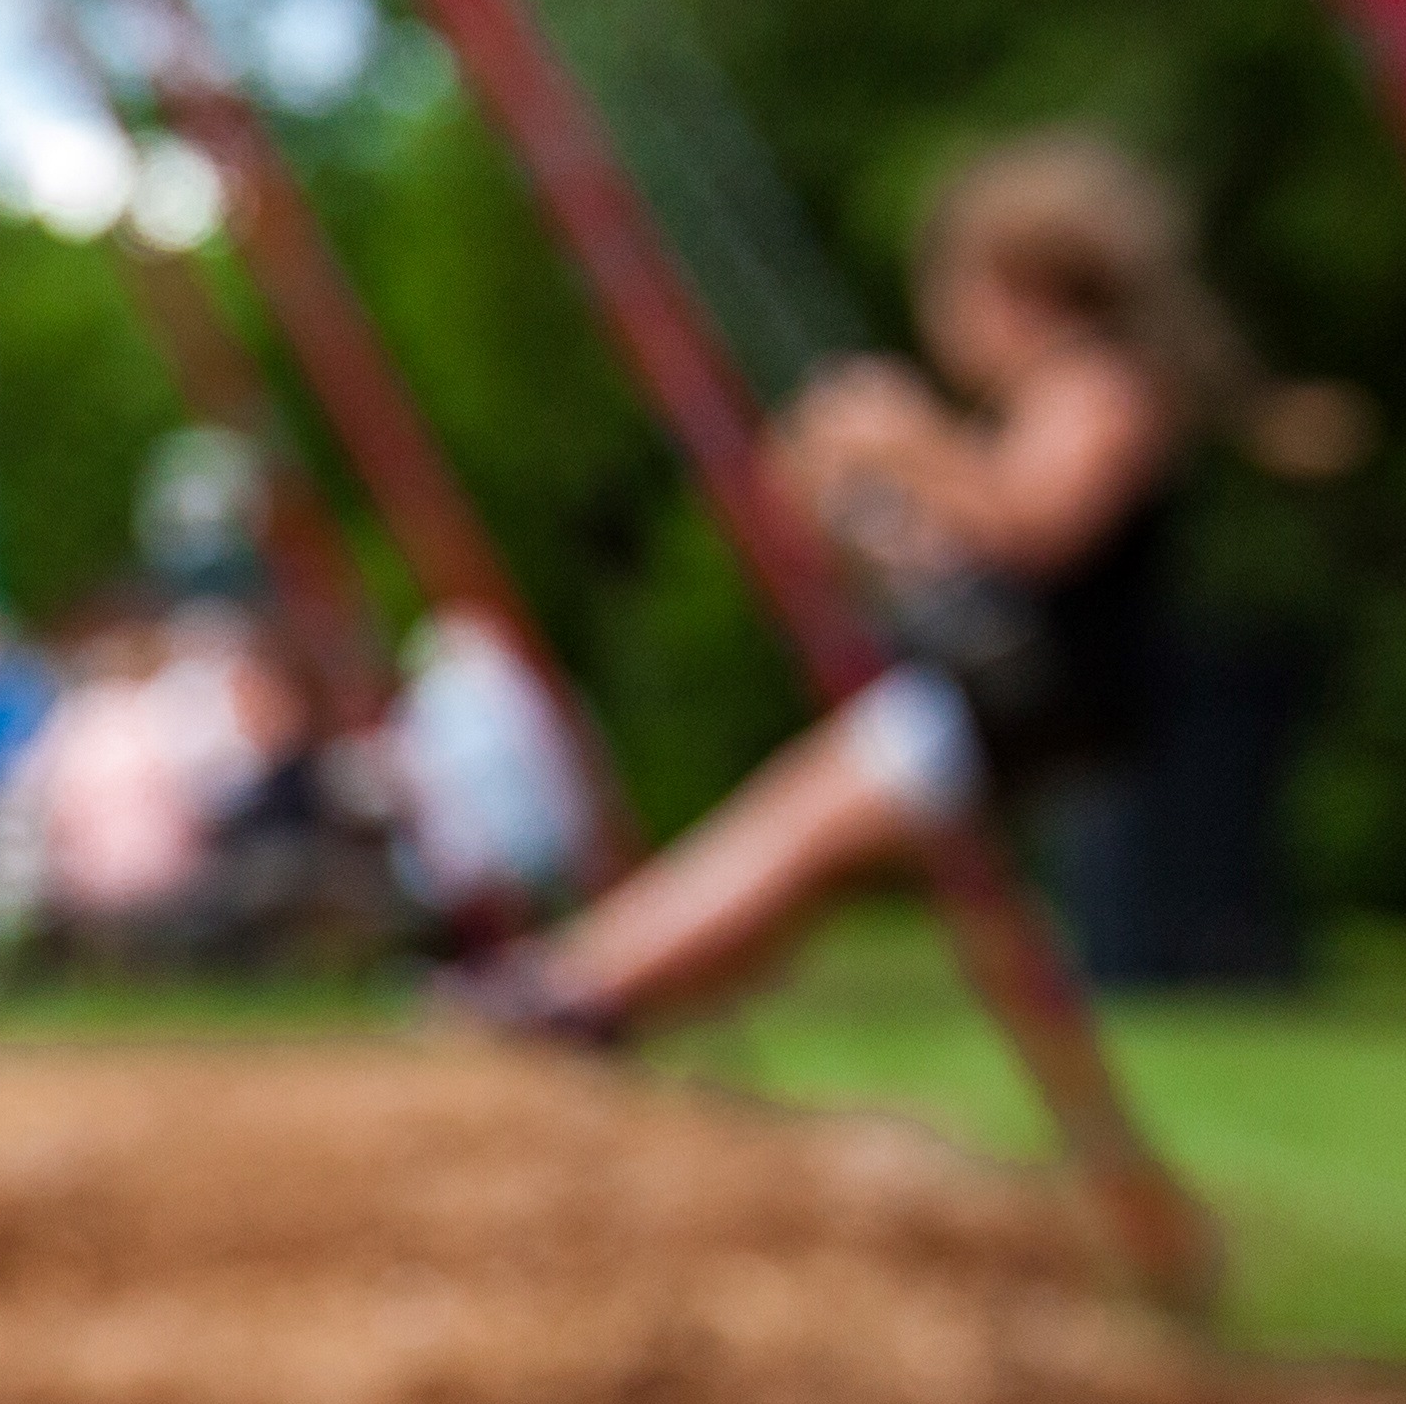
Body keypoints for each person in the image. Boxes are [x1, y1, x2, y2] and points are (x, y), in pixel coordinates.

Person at [454, 129, 1334, 1044]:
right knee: (806, 843)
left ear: (1017, 293)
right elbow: (960, 542)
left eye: (953, 295)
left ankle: (569, 992)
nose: (943, 323)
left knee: (793, 828)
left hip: (1039, 694)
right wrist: (851, 501)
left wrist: (907, 438)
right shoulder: (1049, 399)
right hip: (1009, 694)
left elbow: (1035, 525)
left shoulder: (1097, 388)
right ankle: (596, 996)